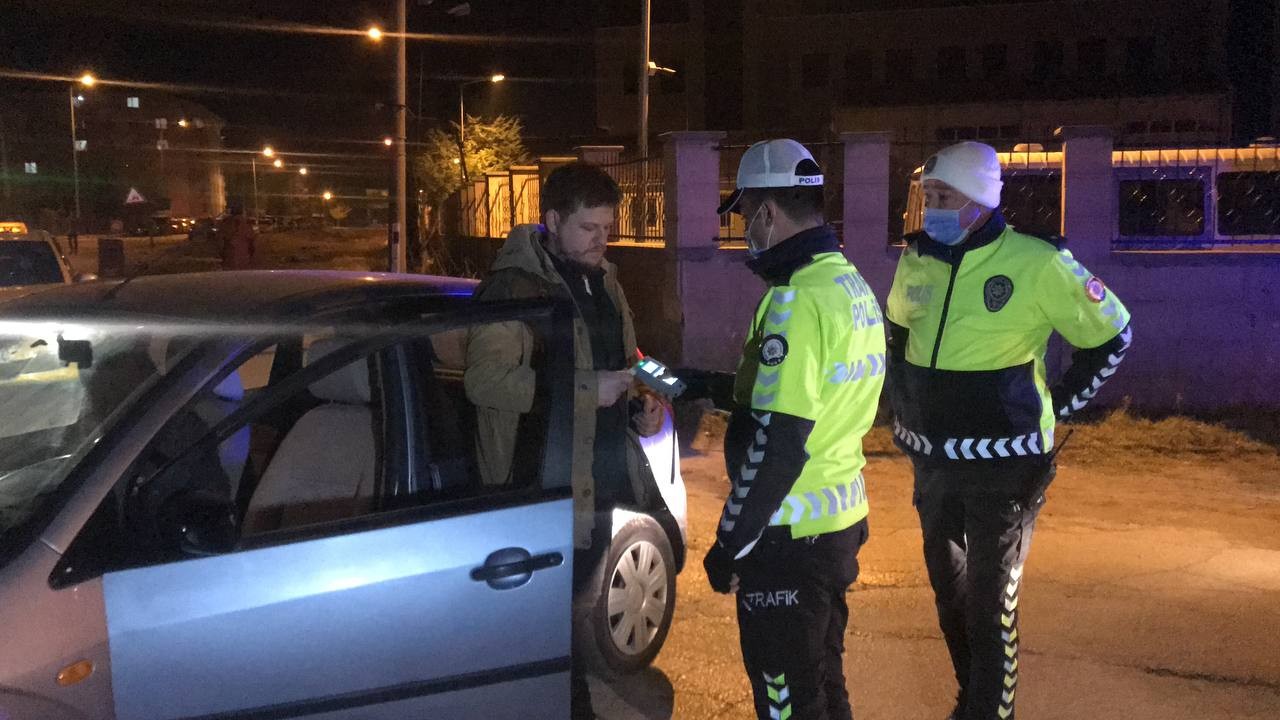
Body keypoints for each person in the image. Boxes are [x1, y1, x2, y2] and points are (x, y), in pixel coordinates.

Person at [885, 141, 1133, 720]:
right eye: (929, 197)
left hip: (1007, 464)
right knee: (951, 596)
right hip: (934, 461)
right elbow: (896, 338)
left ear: (978, 200)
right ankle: (973, 699)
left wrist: (1061, 404)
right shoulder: (916, 258)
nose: (933, 209)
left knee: (990, 605)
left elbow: (1113, 335)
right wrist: (901, 407)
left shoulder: (1037, 261)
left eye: (944, 197)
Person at [463, 161, 664, 719]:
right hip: (537, 487)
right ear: (551, 221)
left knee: (568, 615)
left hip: (599, 483)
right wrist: (585, 391)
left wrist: (650, 402)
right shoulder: (513, 288)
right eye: (588, 228)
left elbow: (630, 360)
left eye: (607, 227)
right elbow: (486, 382)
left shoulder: (606, 280)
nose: (602, 240)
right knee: (544, 631)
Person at [703, 139, 885, 720]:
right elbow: (813, 398)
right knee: (825, 689)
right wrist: (693, 383)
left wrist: (730, 543)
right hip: (836, 524)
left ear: (766, 213)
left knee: (786, 702)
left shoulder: (794, 301)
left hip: (786, 537)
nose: (745, 232)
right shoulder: (848, 285)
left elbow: (778, 441)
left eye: (744, 217)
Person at [218, 203, 256, 270]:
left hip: (230, 251)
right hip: (243, 251)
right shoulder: (246, 223)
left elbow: (221, 239)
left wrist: (222, 252)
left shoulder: (226, 222)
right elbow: (251, 239)